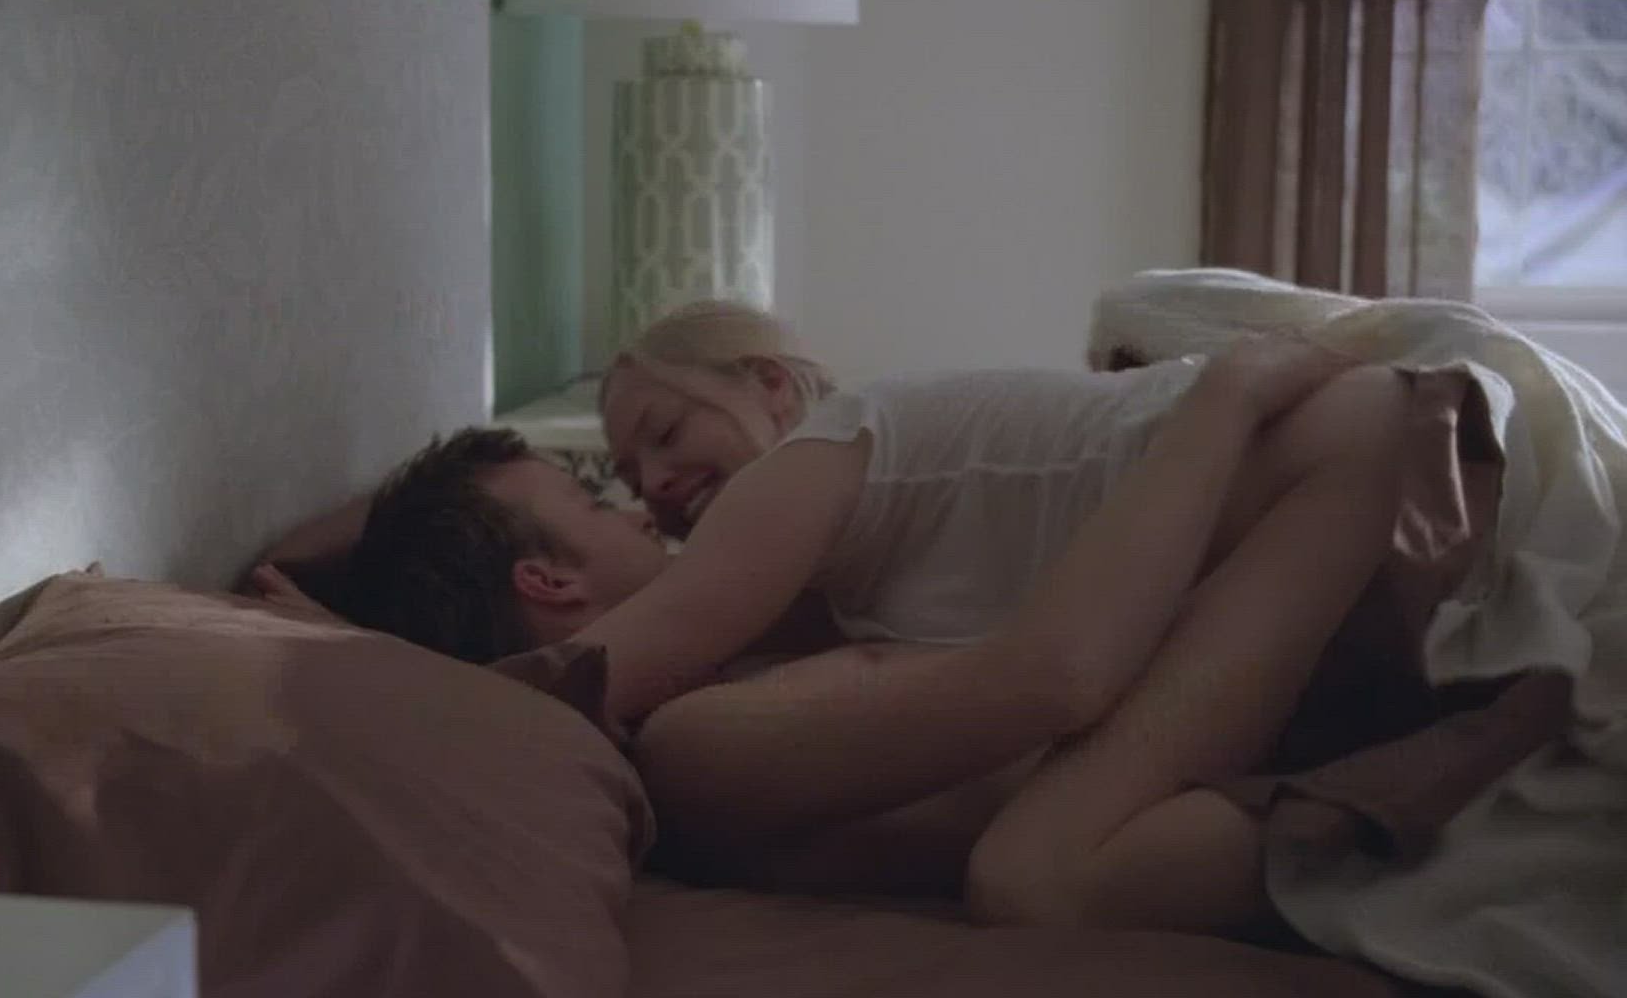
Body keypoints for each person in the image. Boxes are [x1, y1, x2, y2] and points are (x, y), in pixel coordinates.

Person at [267, 303, 1413, 938]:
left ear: (769, 384)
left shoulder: (778, 554)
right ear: (549, 584)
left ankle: (1446, 833)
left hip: (1304, 458)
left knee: (1037, 878)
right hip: (1294, 485)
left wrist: (1229, 393)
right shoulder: (705, 714)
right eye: (599, 493)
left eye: (656, 445)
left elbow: (1058, 672)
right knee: (1039, 878)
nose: (644, 499)